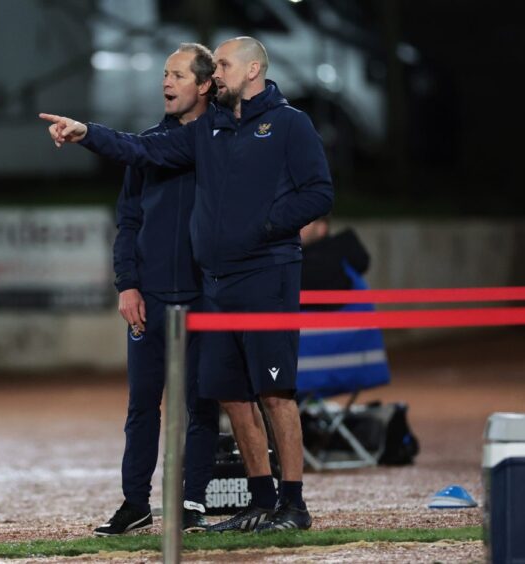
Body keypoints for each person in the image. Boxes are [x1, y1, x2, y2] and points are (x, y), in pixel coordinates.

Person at [41, 36, 333, 532]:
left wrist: (264, 226)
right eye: (213, 65)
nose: (216, 73)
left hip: (260, 277)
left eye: (221, 65)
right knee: (232, 396)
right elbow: (136, 151)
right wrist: (87, 132)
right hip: (213, 287)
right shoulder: (211, 131)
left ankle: (291, 505)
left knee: (274, 393)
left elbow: (319, 193)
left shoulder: (288, 123)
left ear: (253, 69)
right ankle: (260, 502)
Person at [94, 43, 220, 537]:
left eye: (177, 75)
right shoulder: (146, 143)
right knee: (142, 404)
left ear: (204, 85)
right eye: (164, 74)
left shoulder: (219, 142)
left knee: (202, 403)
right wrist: (128, 285)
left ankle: (191, 501)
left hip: (205, 296)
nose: (166, 83)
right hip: (151, 297)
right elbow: (128, 221)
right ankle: (135, 503)